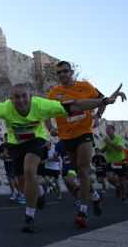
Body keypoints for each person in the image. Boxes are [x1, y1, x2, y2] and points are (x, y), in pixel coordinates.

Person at [0, 82, 126, 233]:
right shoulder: (5, 108)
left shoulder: (41, 105)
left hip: (37, 141)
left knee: (30, 169)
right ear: (11, 99)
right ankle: (39, 193)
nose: (21, 101)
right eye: (16, 98)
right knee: (24, 184)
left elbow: (75, 106)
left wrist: (103, 101)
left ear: (30, 96)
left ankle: (29, 217)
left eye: (24, 97)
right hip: (16, 144)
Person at [46, 61, 107, 228]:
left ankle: (83, 211)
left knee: (83, 168)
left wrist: (97, 117)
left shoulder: (85, 86)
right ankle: (94, 197)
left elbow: (103, 100)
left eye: (65, 71)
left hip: (84, 133)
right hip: (66, 137)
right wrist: (50, 127)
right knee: (78, 171)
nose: (63, 75)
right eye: (59, 73)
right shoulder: (54, 93)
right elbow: (46, 112)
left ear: (71, 72)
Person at [102, 125, 128, 203]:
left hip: (120, 161)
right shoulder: (105, 139)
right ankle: (117, 186)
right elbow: (102, 150)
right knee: (109, 178)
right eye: (106, 130)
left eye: (109, 129)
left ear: (113, 130)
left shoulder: (118, 138)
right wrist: (107, 144)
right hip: (110, 162)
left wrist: (110, 143)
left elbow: (120, 149)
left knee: (122, 179)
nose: (107, 131)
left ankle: (124, 196)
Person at [0, 135, 21, 202]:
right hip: (7, 163)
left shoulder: (13, 145)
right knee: (12, 178)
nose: (7, 139)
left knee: (12, 178)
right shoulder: (3, 145)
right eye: (6, 138)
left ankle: (15, 193)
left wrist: (6, 155)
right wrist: (1, 156)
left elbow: (17, 155)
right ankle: (18, 193)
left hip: (12, 163)